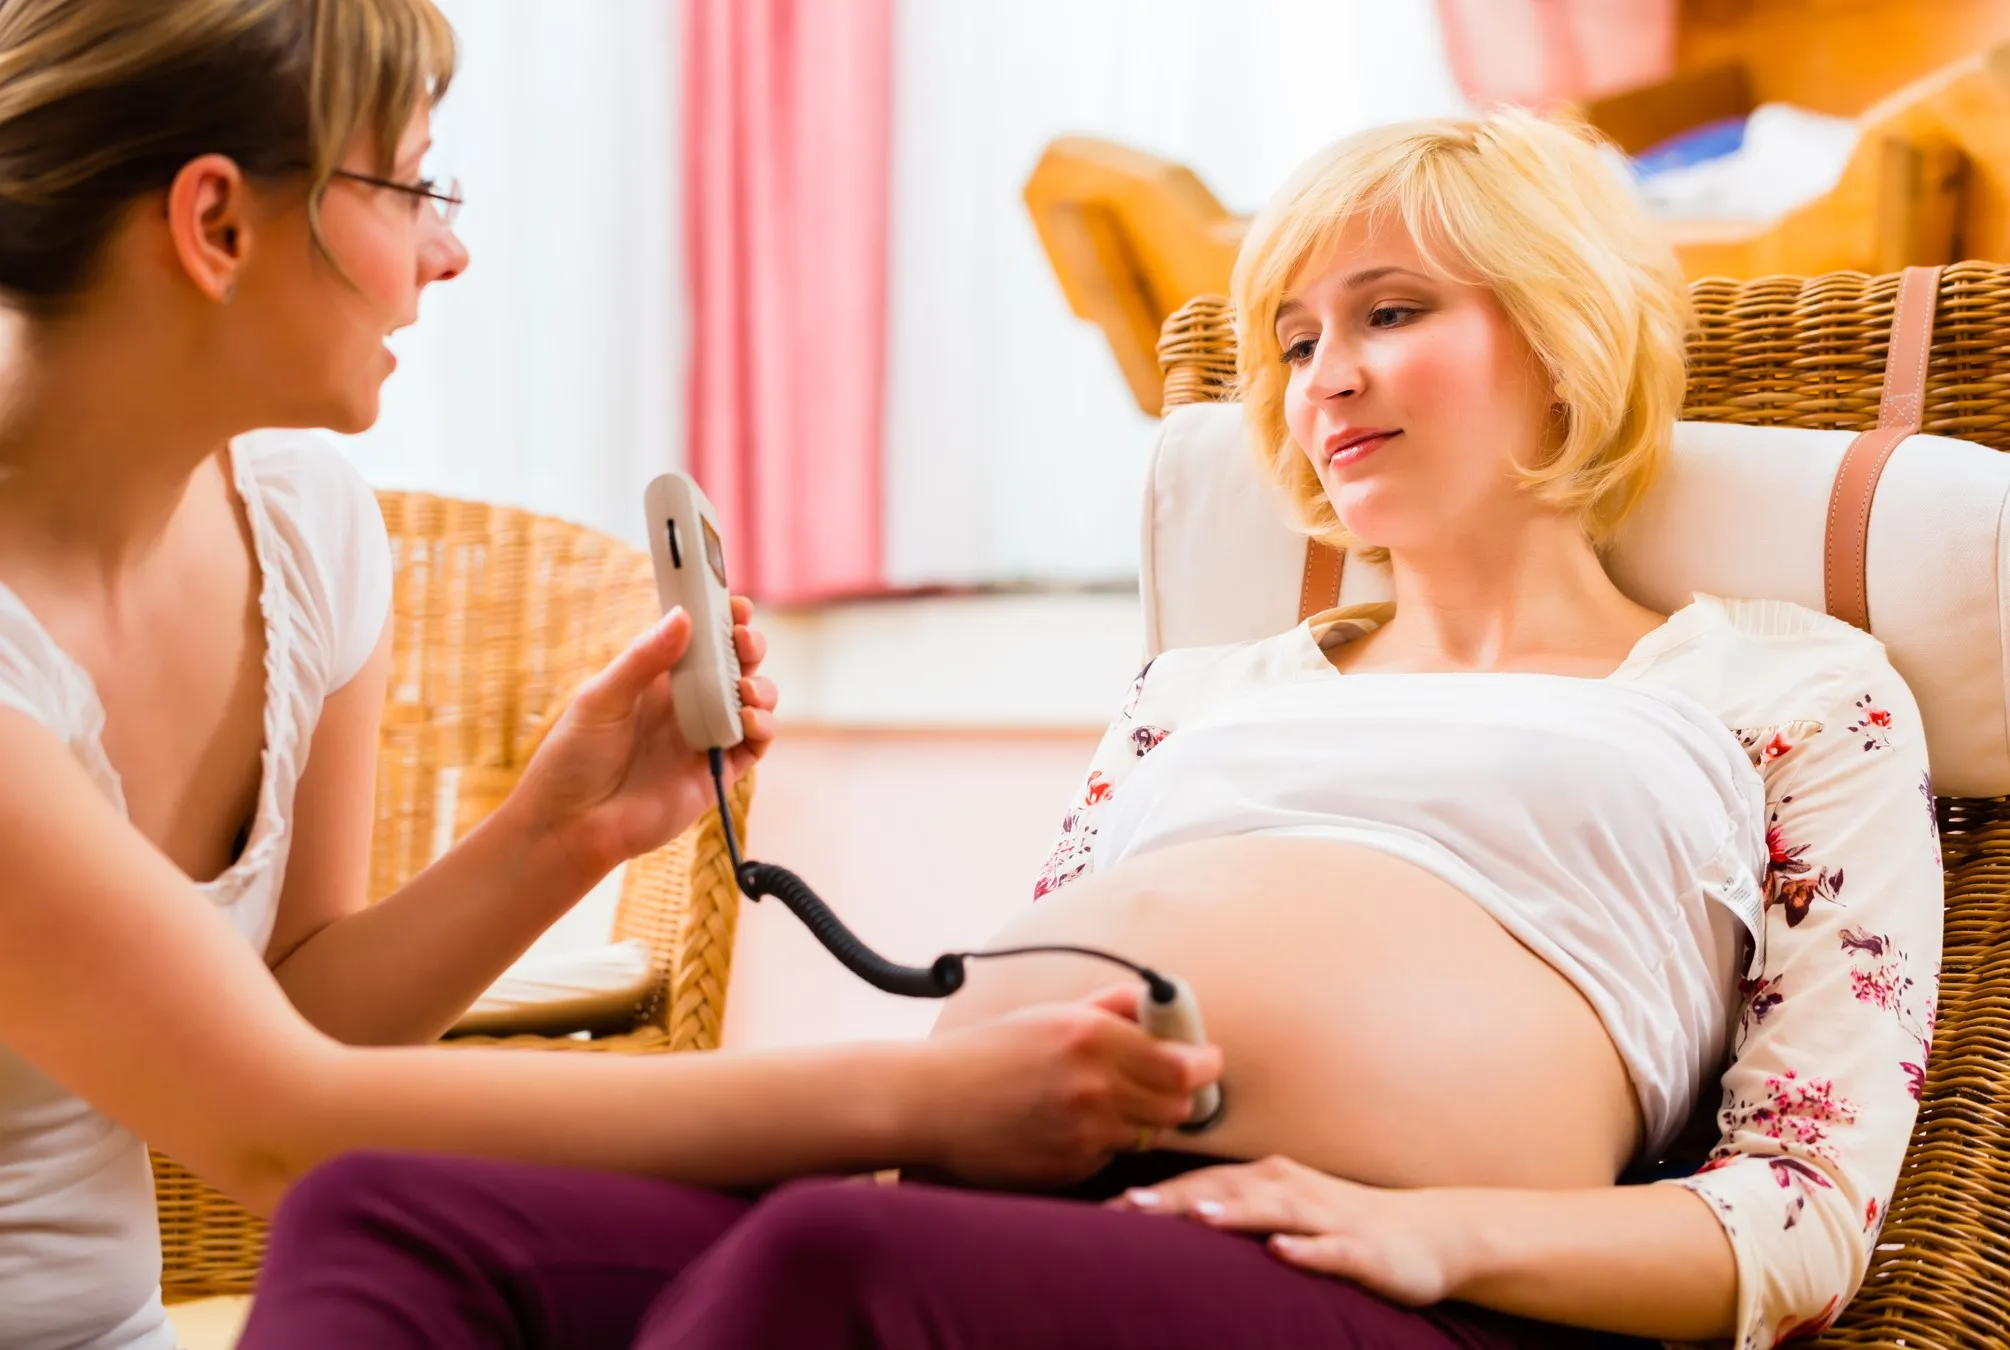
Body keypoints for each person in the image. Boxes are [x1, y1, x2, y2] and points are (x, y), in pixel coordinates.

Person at [239, 105, 1943, 1350]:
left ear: (1565, 338)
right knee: (376, 1210)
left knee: (832, 1272)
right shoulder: (1204, 686)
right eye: (1290, 339)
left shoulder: (1784, 689)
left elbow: (1798, 1215)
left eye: (1390, 311)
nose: (1320, 378)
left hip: (1387, 1289)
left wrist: (1424, 1236)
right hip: (979, 1209)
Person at [0, 3, 1220, 1347]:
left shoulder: (300, 527)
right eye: (412, 185)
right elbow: (278, 1126)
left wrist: (559, 833)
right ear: (216, 224)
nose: (449, 252)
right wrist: (923, 1097)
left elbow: (293, 1018)